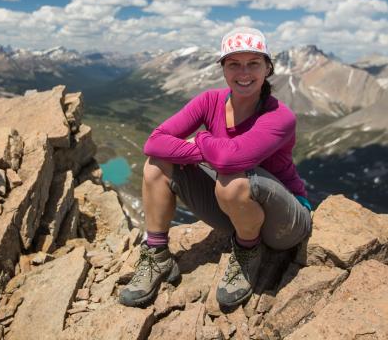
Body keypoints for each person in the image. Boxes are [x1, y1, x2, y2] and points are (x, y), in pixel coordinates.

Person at [119, 27, 312, 308]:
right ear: (223, 69)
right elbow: (154, 142)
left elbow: (229, 161)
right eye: (234, 64)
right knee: (157, 165)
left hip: (286, 223)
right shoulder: (209, 101)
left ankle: (248, 254)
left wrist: (202, 138)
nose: (243, 73)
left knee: (232, 179)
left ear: (268, 68)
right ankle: (157, 255)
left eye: (253, 64)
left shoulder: (279, 116)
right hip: (237, 211)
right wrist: (204, 151)